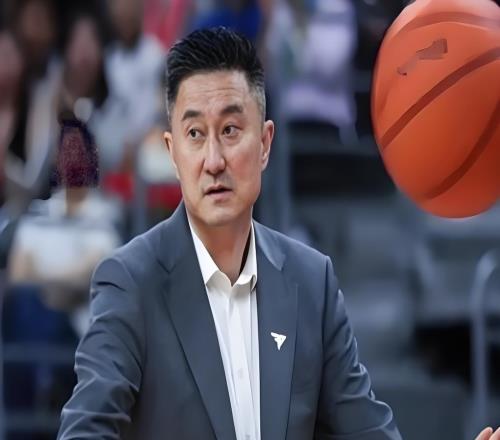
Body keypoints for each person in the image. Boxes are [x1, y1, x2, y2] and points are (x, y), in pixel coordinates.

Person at [57, 27, 499, 440]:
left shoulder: (311, 281)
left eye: (230, 130)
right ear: (172, 153)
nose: (214, 160)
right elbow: (85, 429)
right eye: (194, 134)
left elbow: (368, 432)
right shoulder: (130, 281)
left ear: (266, 144)